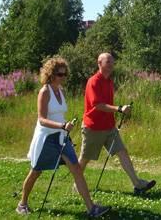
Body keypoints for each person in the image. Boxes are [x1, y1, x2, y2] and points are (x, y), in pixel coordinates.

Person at [16, 57, 110, 218]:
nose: (63, 77)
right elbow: (41, 119)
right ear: (51, 74)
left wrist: (65, 126)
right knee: (36, 172)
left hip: (62, 137)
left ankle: (91, 208)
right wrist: (61, 125)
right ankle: (22, 204)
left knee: (77, 170)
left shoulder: (60, 91)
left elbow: (59, 114)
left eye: (65, 74)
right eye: (60, 74)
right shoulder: (45, 91)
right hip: (46, 138)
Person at [77, 52, 156, 195]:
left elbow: (106, 104)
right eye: (108, 62)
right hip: (93, 127)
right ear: (99, 63)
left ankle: (137, 184)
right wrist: (119, 109)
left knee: (122, 152)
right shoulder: (93, 81)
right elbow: (98, 105)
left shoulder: (109, 81)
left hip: (109, 127)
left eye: (112, 62)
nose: (111, 65)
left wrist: (118, 110)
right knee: (85, 159)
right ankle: (77, 184)